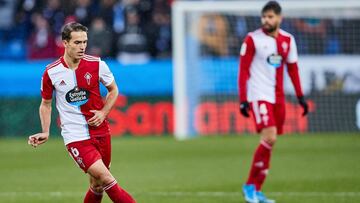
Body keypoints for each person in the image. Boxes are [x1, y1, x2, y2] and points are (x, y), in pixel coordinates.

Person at [28, 22, 136, 203]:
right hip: (75, 136)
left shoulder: (97, 65)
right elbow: (45, 104)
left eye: (84, 42)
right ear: (65, 43)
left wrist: (103, 112)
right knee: (107, 178)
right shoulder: (51, 72)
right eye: (77, 42)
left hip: (101, 131)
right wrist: (46, 131)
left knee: (97, 185)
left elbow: (113, 90)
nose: (82, 47)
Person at [238, 1, 309, 203]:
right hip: (259, 94)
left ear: (279, 18)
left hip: (277, 97)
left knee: (271, 140)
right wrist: (243, 99)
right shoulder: (252, 39)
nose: (266, 20)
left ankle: (256, 188)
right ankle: (250, 186)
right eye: (264, 17)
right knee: (269, 136)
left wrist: (300, 97)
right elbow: (243, 70)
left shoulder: (288, 39)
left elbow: (293, 69)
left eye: (270, 17)